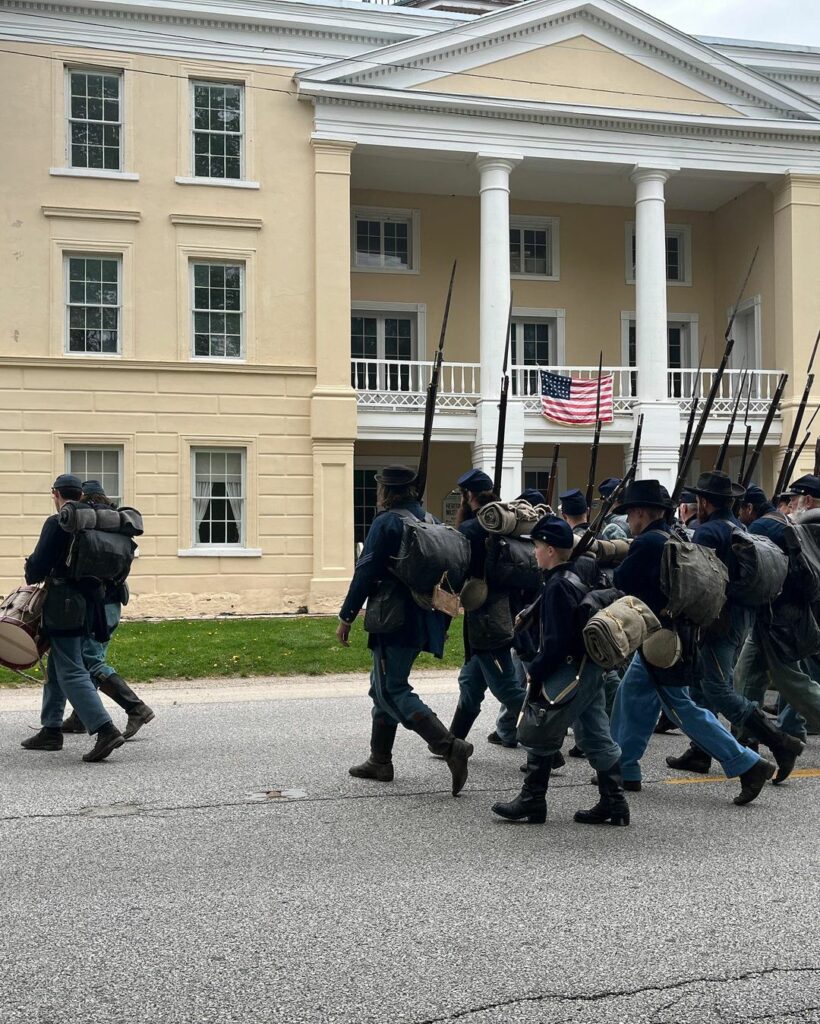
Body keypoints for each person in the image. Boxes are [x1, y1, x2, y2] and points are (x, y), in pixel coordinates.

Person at [608, 478, 775, 805]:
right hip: (673, 634)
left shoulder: (647, 542)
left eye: (631, 514)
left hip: (662, 638)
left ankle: (747, 763)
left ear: (641, 512)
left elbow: (621, 579)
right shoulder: (675, 535)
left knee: (683, 708)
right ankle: (623, 766)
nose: (629, 520)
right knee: (632, 696)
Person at [337, 465, 472, 795]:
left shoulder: (386, 522)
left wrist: (347, 615)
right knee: (380, 686)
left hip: (392, 617)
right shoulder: (431, 520)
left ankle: (449, 745)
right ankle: (380, 760)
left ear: (385, 492)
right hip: (423, 616)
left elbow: (366, 570)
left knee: (392, 688)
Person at [491, 514, 629, 826]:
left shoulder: (556, 587)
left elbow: (554, 644)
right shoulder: (584, 569)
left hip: (568, 670)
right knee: (595, 733)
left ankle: (532, 799)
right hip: (592, 666)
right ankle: (614, 802)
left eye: (537, 546)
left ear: (551, 550)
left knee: (541, 727)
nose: (534, 552)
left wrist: (535, 672)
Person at [667, 471, 801, 779]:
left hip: (718, 620)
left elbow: (698, 583)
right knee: (702, 684)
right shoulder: (738, 527)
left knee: (717, 689)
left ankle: (780, 742)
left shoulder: (707, 532)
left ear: (704, 502)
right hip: (740, 616)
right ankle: (700, 751)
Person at [20, 474, 126, 762]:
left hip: (63, 605)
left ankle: (105, 730)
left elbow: (36, 570)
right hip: (91, 604)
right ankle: (50, 730)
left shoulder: (58, 523)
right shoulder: (95, 523)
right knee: (58, 666)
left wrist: (30, 565)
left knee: (70, 669)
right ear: (81, 495)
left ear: (56, 493)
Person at [733, 483, 819, 775]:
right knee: (747, 676)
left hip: (778, 616)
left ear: (747, 508)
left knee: (794, 683)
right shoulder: (779, 522)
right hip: (776, 615)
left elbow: (753, 572)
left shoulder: (761, 527)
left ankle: (754, 742)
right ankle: (748, 743)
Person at [61, 480, 155, 740]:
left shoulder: (85, 527)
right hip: (114, 602)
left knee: (91, 660)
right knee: (91, 655)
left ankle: (136, 708)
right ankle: (80, 716)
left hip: (93, 605)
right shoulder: (118, 526)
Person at [450, 469, 526, 748]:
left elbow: (459, 569)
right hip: (496, 610)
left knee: (506, 687)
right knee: (470, 681)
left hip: (486, 618)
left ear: (468, 495)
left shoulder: (471, 529)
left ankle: (546, 745)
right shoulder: (505, 524)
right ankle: (450, 742)